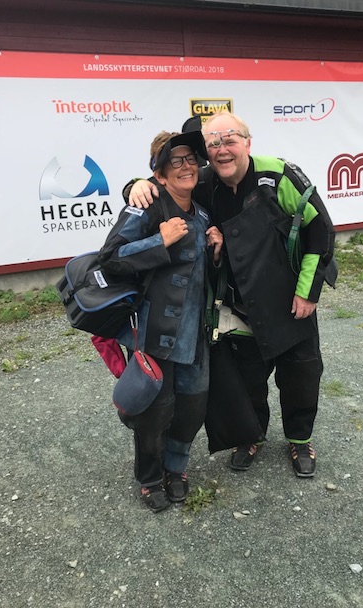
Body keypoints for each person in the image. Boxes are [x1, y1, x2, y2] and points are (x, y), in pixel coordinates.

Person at [127, 111, 336, 478]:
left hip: (291, 299)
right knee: (247, 378)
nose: (222, 149)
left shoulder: (279, 175)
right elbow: (165, 184)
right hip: (240, 304)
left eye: (230, 140)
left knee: (301, 374)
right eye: (214, 143)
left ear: (247, 143)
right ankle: (250, 436)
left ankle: (299, 439)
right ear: (207, 152)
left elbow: (321, 232)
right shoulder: (205, 181)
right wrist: (136, 185)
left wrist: (308, 293)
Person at [98, 130, 223, 512]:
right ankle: (150, 478)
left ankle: (176, 468)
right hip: (155, 335)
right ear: (160, 173)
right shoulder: (147, 207)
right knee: (155, 413)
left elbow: (202, 276)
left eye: (190, 159)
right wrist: (160, 241)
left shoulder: (202, 213)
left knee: (192, 409)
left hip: (195, 337)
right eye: (175, 160)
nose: (186, 166)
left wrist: (216, 253)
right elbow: (111, 257)